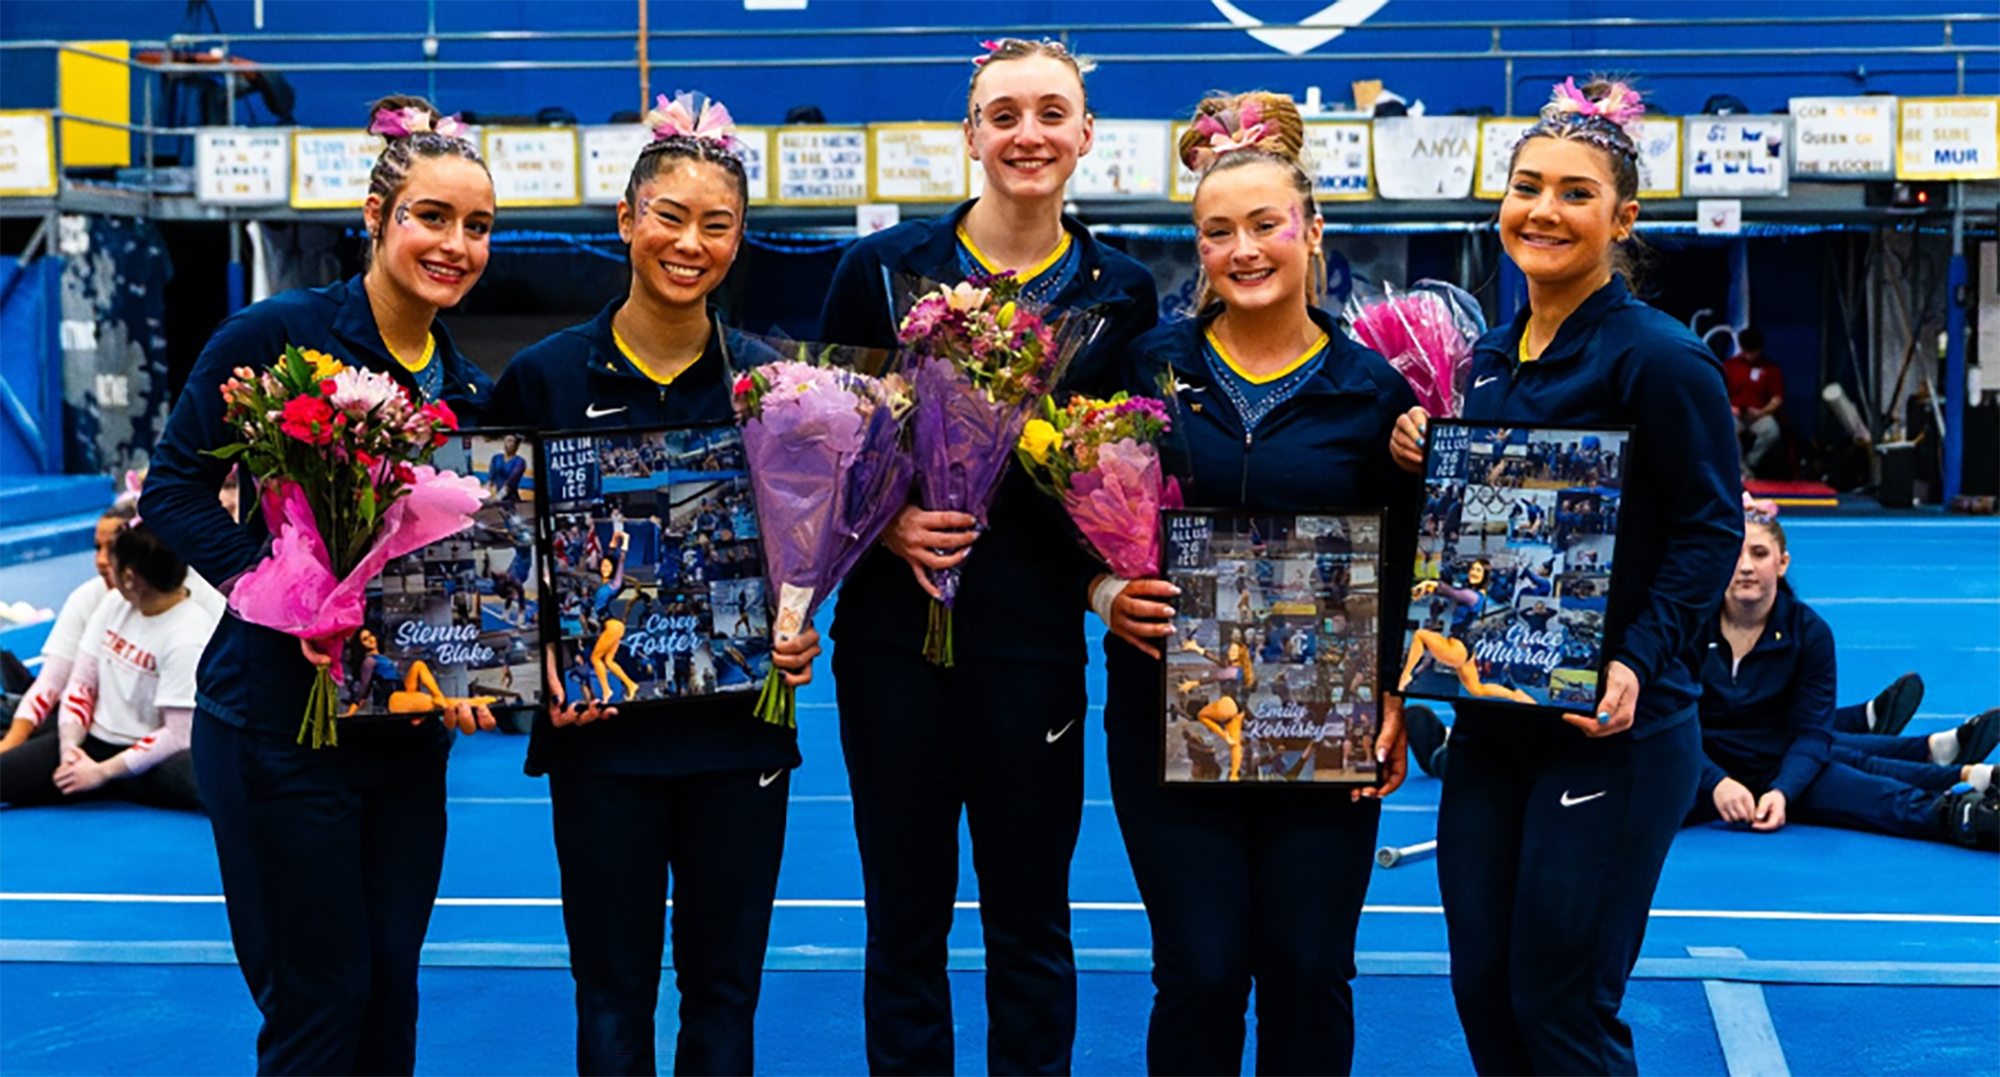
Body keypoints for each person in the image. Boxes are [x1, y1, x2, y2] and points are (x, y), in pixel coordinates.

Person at [815, 37, 1157, 1076]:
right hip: (889, 652)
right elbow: (821, 454)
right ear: (969, 134)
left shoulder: (1121, 289)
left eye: (1050, 112)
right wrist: (885, 524)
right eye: (1002, 113)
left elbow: (1111, 477)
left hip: (1030, 652)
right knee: (904, 925)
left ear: (1085, 134)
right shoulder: (878, 271)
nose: (1027, 133)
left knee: (1029, 925)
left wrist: (1099, 580)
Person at [1388, 77, 1744, 1077]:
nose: (1542, 210)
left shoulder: (1659, 361)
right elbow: (1478, 535)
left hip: (1609, 735)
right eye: (1525, 186)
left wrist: (1634, 659)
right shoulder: (1488, 359)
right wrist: (1425, 450)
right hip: (1490, 726)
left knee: (1559, 1004)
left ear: (1621, 217)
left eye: (1574, 193)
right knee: (1484, 997)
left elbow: (1708, 528)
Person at [140, 94, 499, 1076]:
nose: (455, 244)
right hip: (273, 728)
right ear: (378, 216)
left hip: (401, 741)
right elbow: (173, 493)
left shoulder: (467, 390)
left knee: (388, 995)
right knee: (319, 998)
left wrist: (475, 665)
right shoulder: (278, 337)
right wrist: (279, 591)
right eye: (432, 216)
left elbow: (458, 571)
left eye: (477, 226)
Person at [484, 90, 823, 1077]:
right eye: (669, 217)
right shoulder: (544, 377)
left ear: (740, 241)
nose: (690, 243)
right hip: (601, 742)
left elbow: (801, 549)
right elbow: (498, 550)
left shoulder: (777, 388)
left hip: (736, 739)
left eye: (716, 226)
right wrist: (540, 651)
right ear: (626, 220)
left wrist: (795, 622)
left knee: (724, 991)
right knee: (611, 989)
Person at [1092, 91, 1413, 1075]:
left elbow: (1408, 559)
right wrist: (1101, 595)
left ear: (1310, 231)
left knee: (1309, 966)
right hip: (1167, 711)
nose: (1242, 249)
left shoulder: (1374, 392)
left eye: (1265, 224)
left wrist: (1395, 688)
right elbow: (1066, 507)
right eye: (1215, 230)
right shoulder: (1144, 369)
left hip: (1319, 716)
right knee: (1199, 968)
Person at [1688, 508, 2000, 847]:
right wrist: (1716, 782)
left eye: (1759, 554)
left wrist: (1783, 791)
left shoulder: (1810, 633)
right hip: (1696, 769)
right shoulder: (1688, 627)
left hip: (1782, 765)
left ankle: (1967, 814)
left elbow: (1811, 735)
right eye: (1734, 554)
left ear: (1782, 563)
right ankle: (1944, 758)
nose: (1746, 566)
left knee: (1881, 796)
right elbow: (1669, 722)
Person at [0, 521, 218, 809]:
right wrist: (70, 754)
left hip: (156, 759)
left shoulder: (189, 635)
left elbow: (177, 734)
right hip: (92, 743)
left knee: (216, 789)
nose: (104, 568)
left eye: (112, 564)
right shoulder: (114, 604)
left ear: (130, 576)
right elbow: (81, 683)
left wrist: (102, 773)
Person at [1724, 326, 1785, 478]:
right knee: (1728, 427)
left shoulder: (1770, 369)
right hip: (1735, 413)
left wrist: (1761, 412)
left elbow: (1776, 399)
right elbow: (1719, 394)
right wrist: (1730, 408)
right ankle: (1741, 470)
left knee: (1772, 430)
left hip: (1758, 414)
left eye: (1754, 352)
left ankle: (1750, 463)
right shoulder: (1729, 366)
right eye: (1747, 352)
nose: (1750, 356)